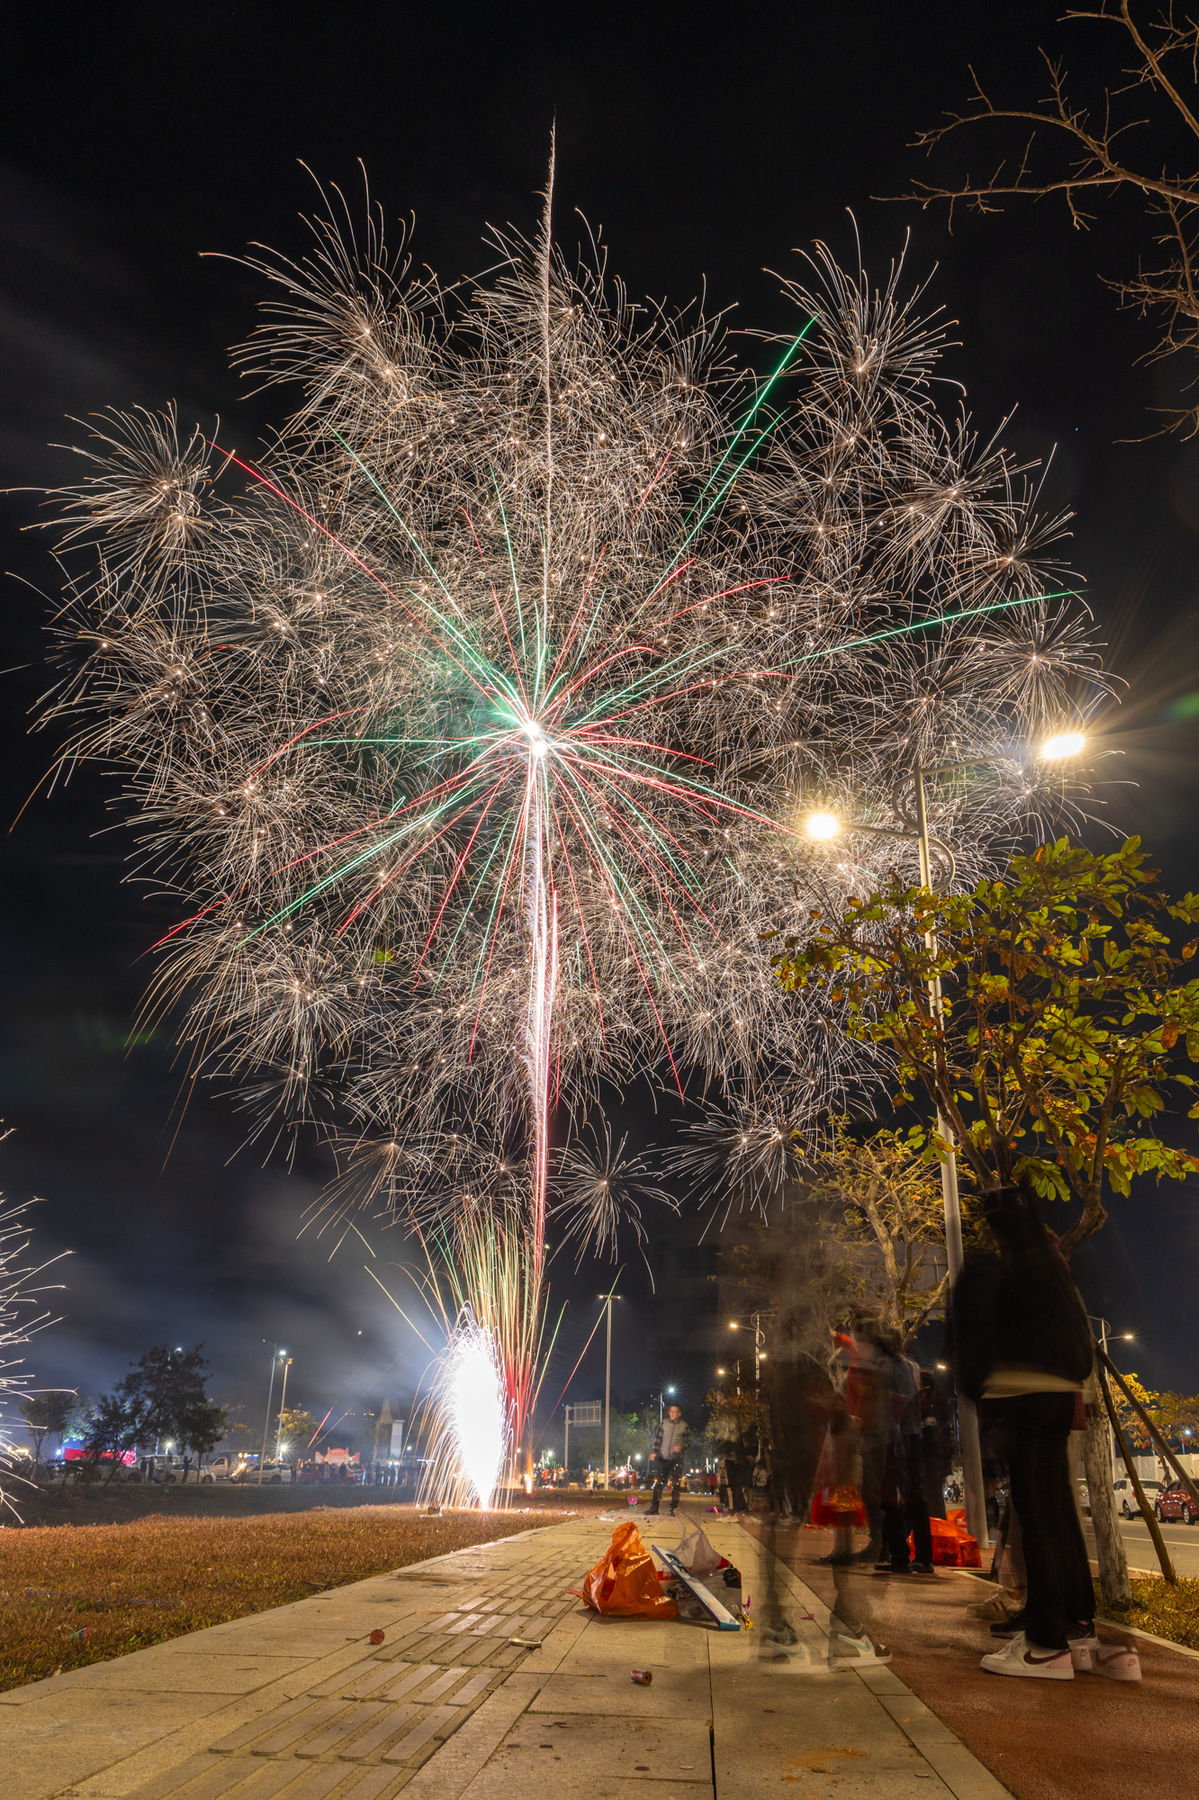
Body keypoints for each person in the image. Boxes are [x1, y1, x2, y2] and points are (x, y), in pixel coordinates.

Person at [954, 1180, 1138, 1681]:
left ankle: (1045, 1646)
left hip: (1020, 1398)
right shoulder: (1054, 1265)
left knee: (1037, 1516)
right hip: (1059, 1397)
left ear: (995, 1229)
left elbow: (976, 1340)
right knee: (1056, 1515)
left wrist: (979, 1388)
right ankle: (1077, 1629)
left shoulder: (1004, 1269)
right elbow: (1080, 1344)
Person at [644, 1403, 690, 1516]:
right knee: (658, 1483)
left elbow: (688, 1442)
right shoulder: (664, 1424)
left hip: (676, 1459)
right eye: (671, 1411)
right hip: (663, 1458)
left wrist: (681, 1447)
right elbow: (657, 1439)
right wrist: (654, 1452)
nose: (672, 1414)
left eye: (675, 1412)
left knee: (675, 1485)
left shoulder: (684, 1426)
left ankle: (674, 1509)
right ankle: (654, 1508)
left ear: (680, 1413)